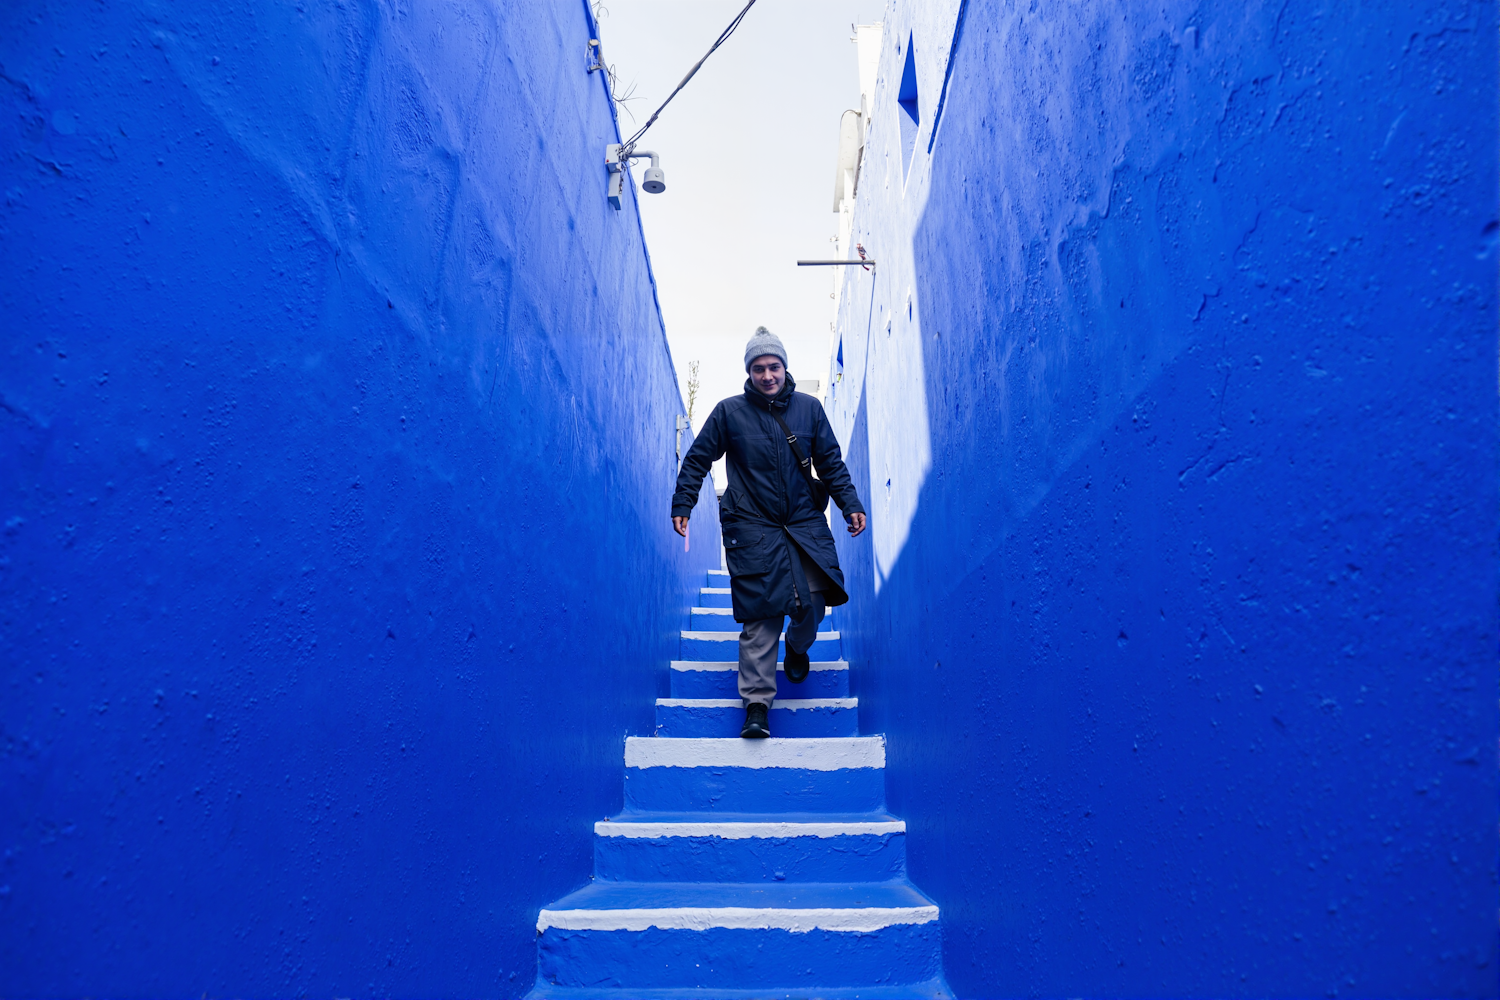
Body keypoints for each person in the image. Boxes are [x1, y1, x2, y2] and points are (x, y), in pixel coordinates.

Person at [671, 327, 867, 738]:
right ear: (749, 372)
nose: (766, 375)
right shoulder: (730, 413)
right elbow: (697, 459)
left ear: (784, 367)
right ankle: (757, 704)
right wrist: (683, 503)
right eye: (758, 368)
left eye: (773, 366)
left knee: (813, 605)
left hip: (803, 525)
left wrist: (850, 504)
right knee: (761, 621)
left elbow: (830, 463)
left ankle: (797, 645)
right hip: (754, 528)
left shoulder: (810, 409)